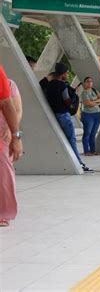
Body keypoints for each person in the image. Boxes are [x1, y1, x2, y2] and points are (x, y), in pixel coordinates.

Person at [45, 63, 93, 172]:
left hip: (55, 113)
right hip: (64, 114)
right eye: (66, 73)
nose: (67, 75)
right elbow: (66, 99)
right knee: (71, 139)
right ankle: (79, 163)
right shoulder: (62, 85)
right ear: (62, 74)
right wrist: (72, 103)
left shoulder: (50, 84)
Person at [0, 65, 24, 227]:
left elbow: (17, 109)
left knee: (4, 172)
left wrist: (13, 132)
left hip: (3, 133)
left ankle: (5, 212)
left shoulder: (9, 85)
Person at [80, 77, 100, 156]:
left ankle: (93, 151)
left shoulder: (94, 90)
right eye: (87, 81)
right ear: (85, 83)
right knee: (87, 133)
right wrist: (97, 102)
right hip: (88, 115)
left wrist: (94, 102)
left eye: (91, 81)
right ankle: (87, 151)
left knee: (93, 133)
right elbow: (88, 104)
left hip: (97, 114)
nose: (89, 83)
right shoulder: (84, 93)